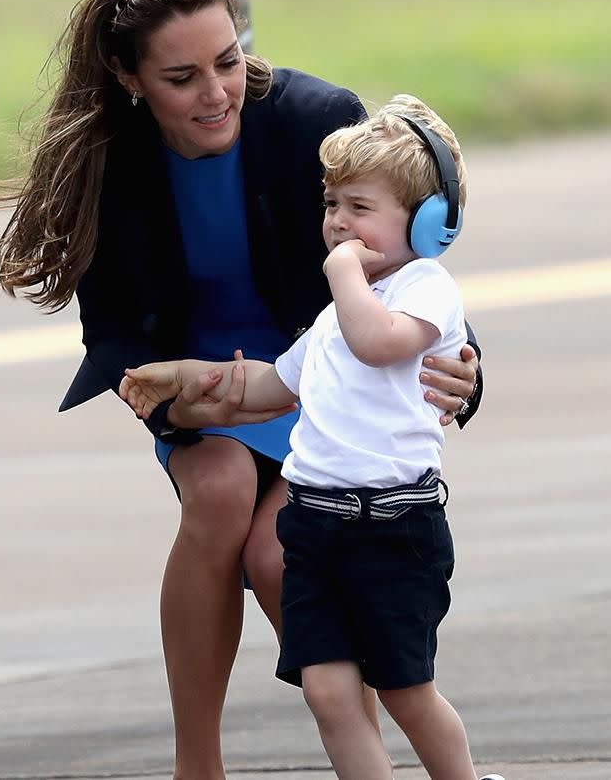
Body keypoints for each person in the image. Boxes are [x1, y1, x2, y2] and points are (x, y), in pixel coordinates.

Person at [0, 0, 482, 778]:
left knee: (280, 556)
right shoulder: (109, 158)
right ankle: (196, 764)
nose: (215, 93)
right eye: (182, 78)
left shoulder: (315, 118)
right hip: (204, 385)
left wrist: (465, 366)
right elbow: (119, 333)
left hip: (317, 381)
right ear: (131, 78)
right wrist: (166, 397)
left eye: (228, 62)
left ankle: (376, 754)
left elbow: (412, 265)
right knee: (219, 492)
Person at [119, 95, 502, 780]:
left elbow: (381, 344)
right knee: (327, 693)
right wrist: (183, 380)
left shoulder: (424, 288)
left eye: (360, 208)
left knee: (405, 693)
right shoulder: (335, 316)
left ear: (431, 224)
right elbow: (273, 387)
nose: (338, 225)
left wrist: (342, 273)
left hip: (392, 533)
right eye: (332, 206)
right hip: (316, 531)